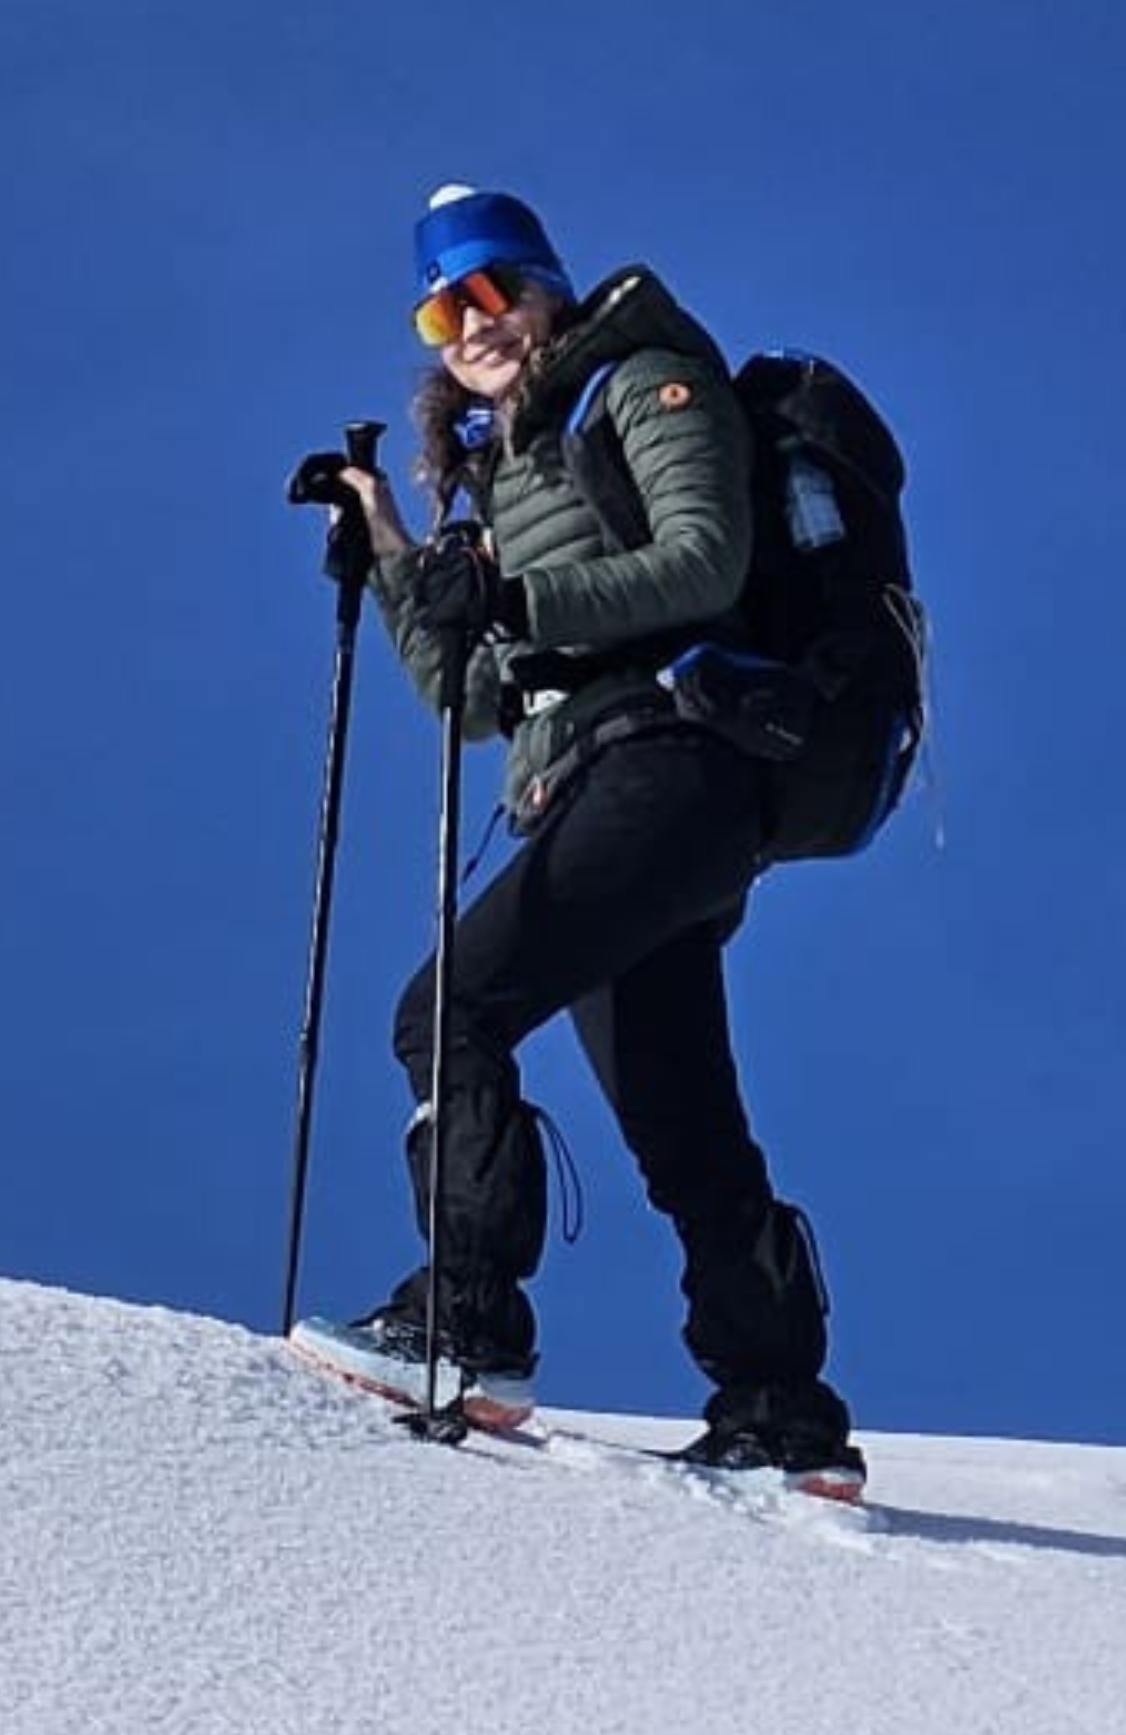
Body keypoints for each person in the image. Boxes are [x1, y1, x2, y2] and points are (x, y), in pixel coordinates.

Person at [287, 185, 865, 1498]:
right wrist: (383, 540)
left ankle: (467, 1322)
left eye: (490, 290)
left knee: (448, 1012)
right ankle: (779, 1410)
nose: (468, 325)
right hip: (595, 789)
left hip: (669, 762)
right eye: (441, 308)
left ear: (545, 284)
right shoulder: (501, 469)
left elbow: (703, 564)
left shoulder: (644, 381)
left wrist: (510, 586)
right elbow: (469, 696)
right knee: (683, 1129)